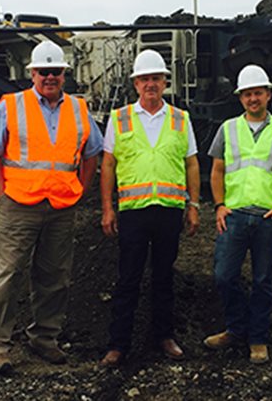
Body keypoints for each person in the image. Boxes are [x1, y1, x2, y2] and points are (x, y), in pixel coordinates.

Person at [0, 40, 103, 374]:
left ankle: (44, 337)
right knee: (8, 274)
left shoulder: (79, 109)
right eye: (43, 71)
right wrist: (1, 195)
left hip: (61, 207)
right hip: (18, 206)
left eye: (55, 71)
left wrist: (81, 189)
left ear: (64, 74)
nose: (49, 77)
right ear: (32, 73)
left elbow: (92, 153)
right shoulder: (12, 105)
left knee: (55, 276)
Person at [99, 49, 200, 367]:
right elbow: (108, 165)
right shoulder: (119, 118)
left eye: (156, 78)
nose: (150, 84)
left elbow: (192, 164)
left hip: (169, 210)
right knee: (128, 278)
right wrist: (107, 208)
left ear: (165, 82)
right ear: (136, 84)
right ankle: (118, 344)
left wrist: (194, 205)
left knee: (164, 276)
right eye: (144, 79)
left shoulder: (180, 119)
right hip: (133, 211)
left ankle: (164, 336)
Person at [202, 64, 272, 365]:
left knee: (262, 280)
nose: (252, 99)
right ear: (240, 98)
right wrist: (219, 205)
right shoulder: (228, 129)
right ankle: (235, 328)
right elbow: (217, 170)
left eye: (257, 93)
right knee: (224, 275)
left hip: (268, 218)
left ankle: (258, 339)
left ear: (268, 95)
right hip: (235, 216)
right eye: (247, 94)